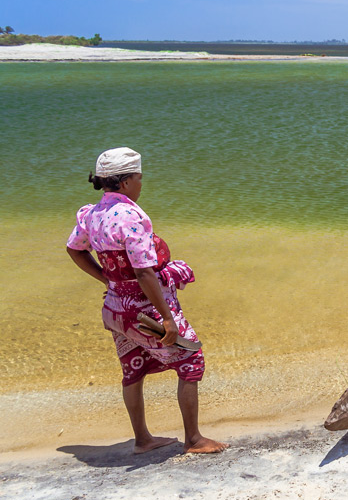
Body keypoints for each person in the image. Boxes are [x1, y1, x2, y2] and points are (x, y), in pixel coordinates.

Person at [66, 147, 227, 455]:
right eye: (139, 178)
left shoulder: (91, 214)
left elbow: (75, 249)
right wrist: (166, 318)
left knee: (133, 369)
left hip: (115, 308)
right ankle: (193, 439)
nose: (141, 184)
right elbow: (144, 273)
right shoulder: (132, 217)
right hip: (143, 311)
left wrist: (107, 280)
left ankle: (143, 440)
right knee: (191, 360)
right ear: (126, 182)